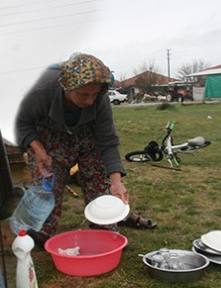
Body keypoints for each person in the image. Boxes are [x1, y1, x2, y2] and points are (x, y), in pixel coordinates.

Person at [14, 52, 155, 245]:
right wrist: (37, 149)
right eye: (83, 94)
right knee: (48, 187)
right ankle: (41, 233)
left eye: (94, 95)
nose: (89, 101)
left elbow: (107, 140)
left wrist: (116, 182)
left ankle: (105, 230)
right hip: (49, 139)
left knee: (99, 184)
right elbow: (22, 123)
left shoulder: (100, 98)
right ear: (67, 86)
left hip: (89, 139)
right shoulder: (40, 91)